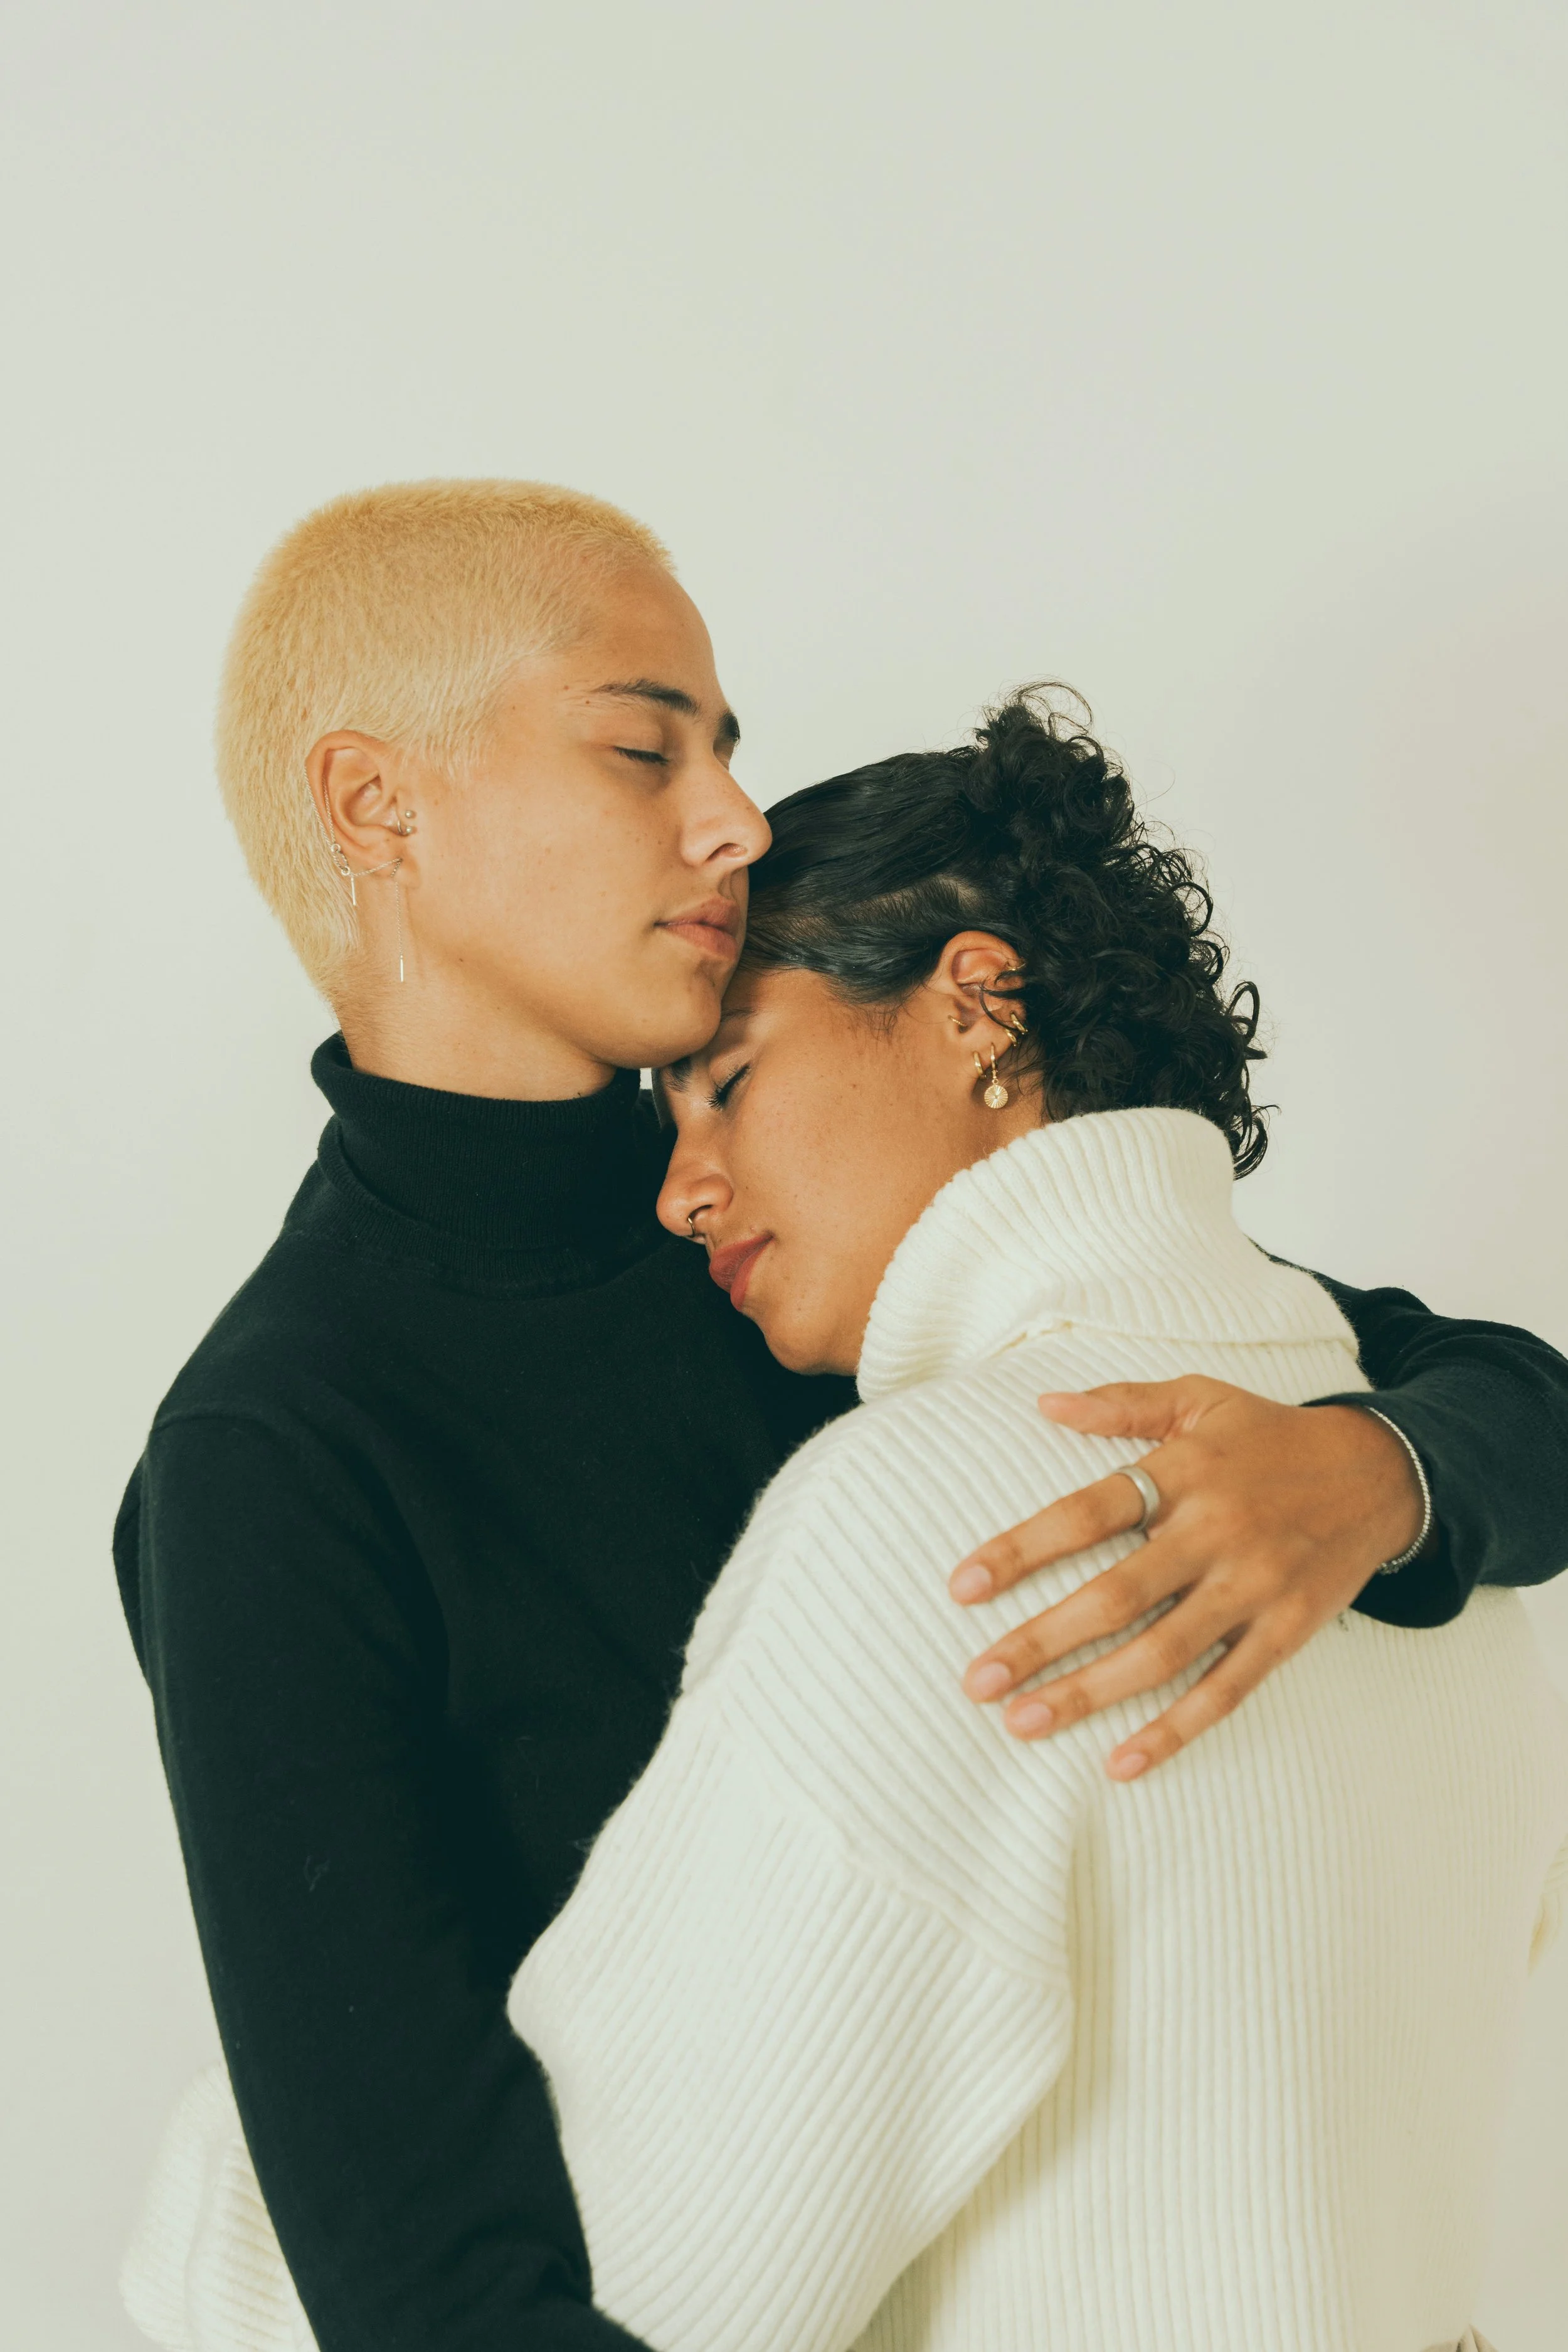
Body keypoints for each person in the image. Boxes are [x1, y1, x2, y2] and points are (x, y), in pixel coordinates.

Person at [115, 482, 1568, 2352]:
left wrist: (1387, 1469)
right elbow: (426, 2281)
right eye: (647, 748)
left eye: (726, 748)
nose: (729, 817)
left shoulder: (850, 1269)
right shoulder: (273, 1452)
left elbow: (1464, 1381)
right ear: (377, 805)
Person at [504, 692, 1568, 2352]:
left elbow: (622, 2269)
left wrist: (250, 2166)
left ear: (972, 1006)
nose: (680, 1185)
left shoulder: (928, 1515)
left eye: (723, 1082)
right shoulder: (1450, 1564)